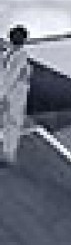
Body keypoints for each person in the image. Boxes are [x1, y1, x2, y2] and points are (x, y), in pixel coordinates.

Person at [0, 25, 30, 167]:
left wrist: (3, 95)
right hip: (6, 91)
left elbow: (12, 76)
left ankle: (8, 154)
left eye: (20, 36)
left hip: (16, 93)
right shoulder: (6, 53)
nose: (16, 38)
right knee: (6, 120)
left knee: (12, 122)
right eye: (14, 35)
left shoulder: (21, 56)